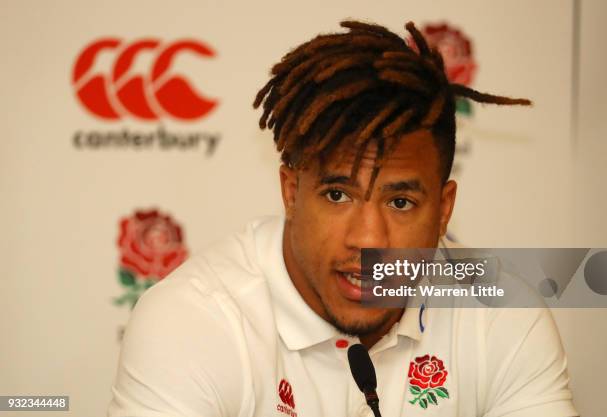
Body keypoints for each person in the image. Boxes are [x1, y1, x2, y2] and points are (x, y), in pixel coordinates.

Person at [108, 20, 578, 417]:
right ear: (291, 193)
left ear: (444, 209)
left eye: (400, 203)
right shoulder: (192, 323)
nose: (369, 239)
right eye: (338, 194)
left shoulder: (502, 316)